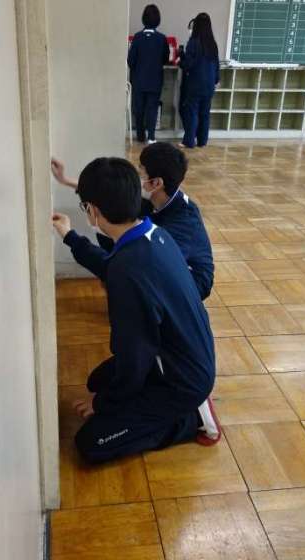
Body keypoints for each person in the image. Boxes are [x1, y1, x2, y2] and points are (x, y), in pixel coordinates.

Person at [52, 157, 220, 463]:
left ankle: (192, 418)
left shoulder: (127, 273)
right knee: (97, 381)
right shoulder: (153, 233)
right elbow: (109, 265)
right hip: (185, 356)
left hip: (182, 381)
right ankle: (163, 404)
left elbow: (134, 355)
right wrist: (70, 237)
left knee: (91, 442)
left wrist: (104, 404)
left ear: (93, 211)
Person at [51, 142, 214, 300]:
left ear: (156, 183)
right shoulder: (160, 198)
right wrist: (65, 180)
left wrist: (70, 236)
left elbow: (132, 264)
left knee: (125, 265)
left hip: (191, 283)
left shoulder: (182, 224)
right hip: (160, 263)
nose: (137, 177)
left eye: (141, 172)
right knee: (110, 229)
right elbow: (111, 193)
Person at [128, 4, 170, 144]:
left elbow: (130, 60)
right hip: (155, 80)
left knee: (139, 109)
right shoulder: (162, 39)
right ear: (158, 19)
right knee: (152, 109)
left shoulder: (137, 38)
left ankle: (140, 136)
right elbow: (165, 59)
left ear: (143, 18)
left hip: (138, 80)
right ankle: (151, 137)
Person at [179, 13, 220, 149]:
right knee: (205, 113)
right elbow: (216, 65)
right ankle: (202, 141)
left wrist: (181, 61)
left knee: (192, 112)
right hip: (210, 84)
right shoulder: (212, 44)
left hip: (196, 83)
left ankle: (189, 141)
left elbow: (188, 64)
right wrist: (216, 80)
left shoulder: (193, 42)